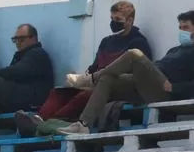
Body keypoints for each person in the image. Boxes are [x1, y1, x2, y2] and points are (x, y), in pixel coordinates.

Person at [15, 1, 152, 136]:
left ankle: (50, 123)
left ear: (130, 20)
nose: (113, 23)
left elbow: (138, 73)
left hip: (113, 86)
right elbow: (94, 66)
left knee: (83, 96)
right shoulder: (107, 42)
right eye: (112, 19)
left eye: (118, 20)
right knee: (59, 92)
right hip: (93, 82)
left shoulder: (138, 43)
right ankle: (39, 119)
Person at [56, 10, 194, 135]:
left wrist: (175, 88)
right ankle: (83, 125)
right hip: (148, 85)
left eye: (186, 27)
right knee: (108, 79)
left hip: (165, 91)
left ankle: (90, 79)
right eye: (180, 28)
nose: (182, 31)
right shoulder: (174, 50)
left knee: (134, 54)